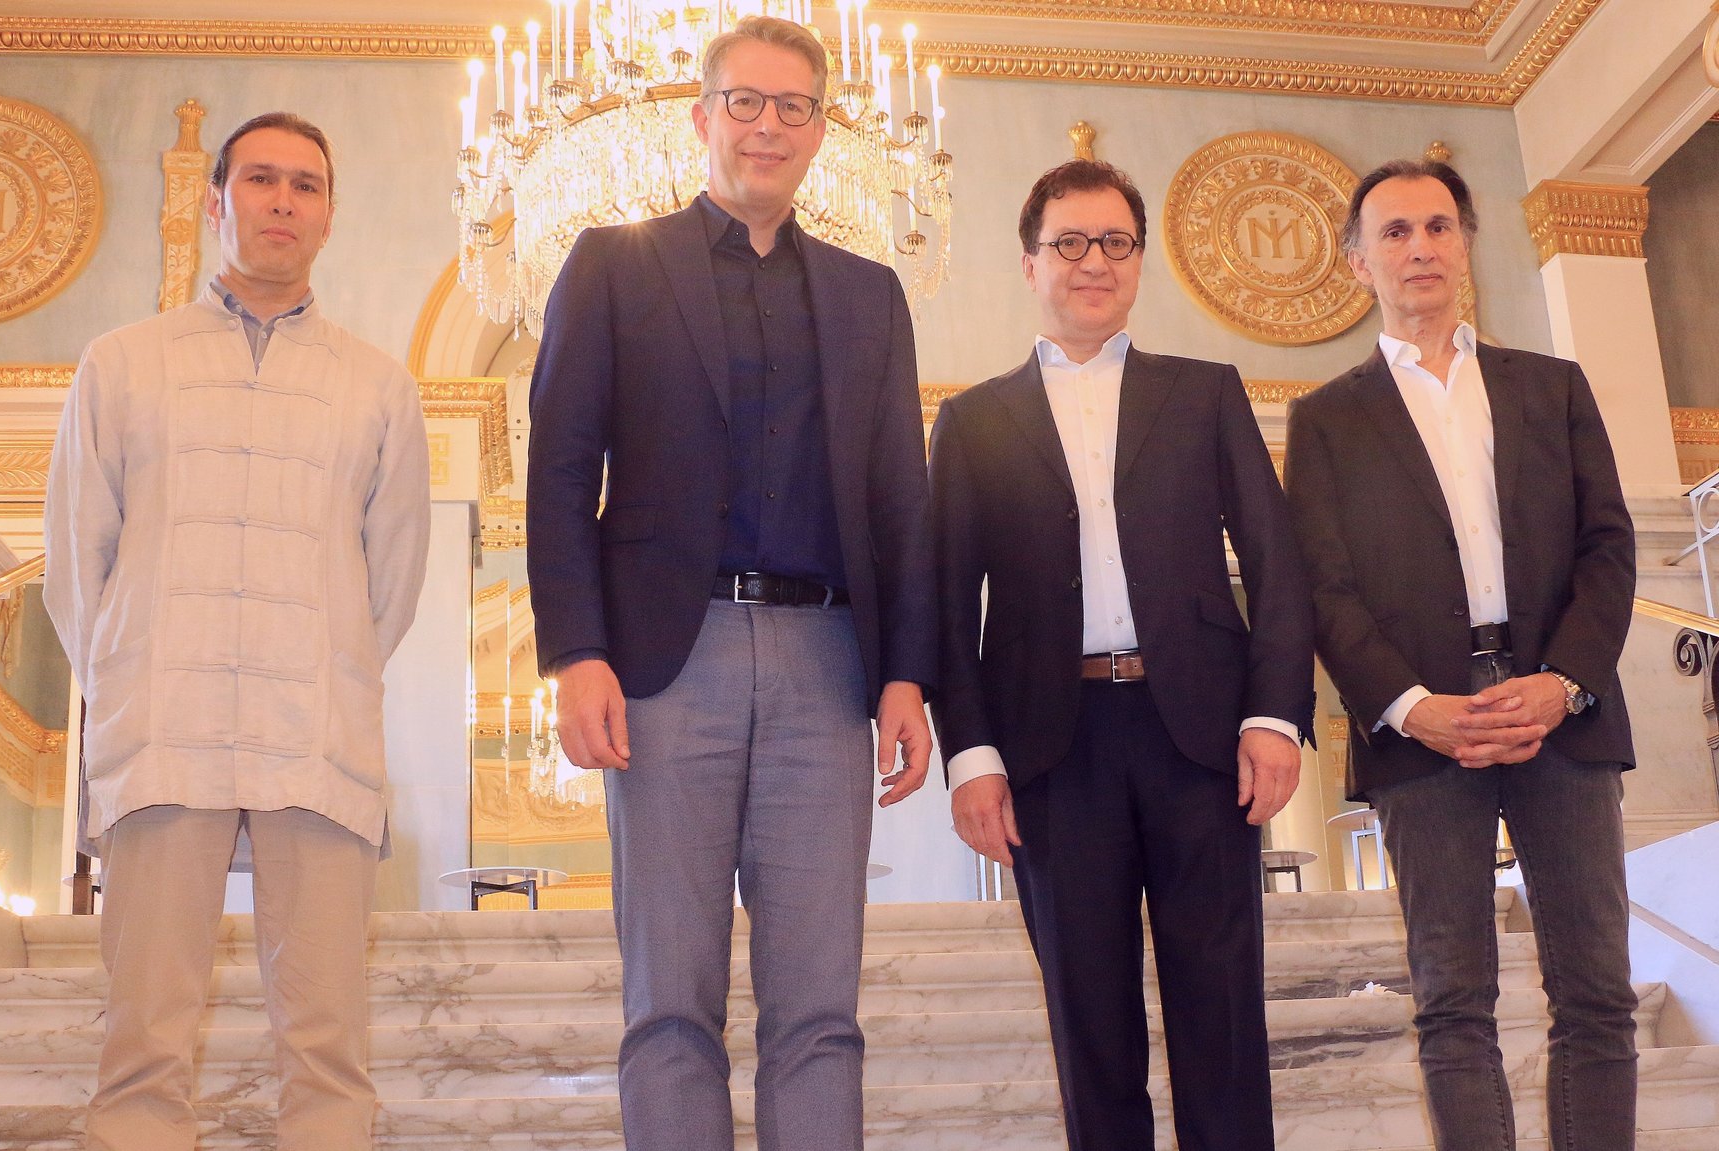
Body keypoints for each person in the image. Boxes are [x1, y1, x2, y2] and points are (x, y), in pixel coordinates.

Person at [524, 15, 936, 1151]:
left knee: (819, 1009)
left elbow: (901, 500)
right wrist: (575, 651)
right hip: (668, 659)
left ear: (819, 131)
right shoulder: (613, 265)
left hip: (827, 660)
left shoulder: (869, 296)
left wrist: (907, 675)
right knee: (669, 1003)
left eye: (791, 106)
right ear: (701, 118)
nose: (766, 125)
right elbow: (559, 472)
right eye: (744, 103)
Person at [42, 111, 431, 1151]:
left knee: (326, 1044)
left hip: (316, 727)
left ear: (328, 215)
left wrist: (329, 660)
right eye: (259, 179)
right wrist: (133, 668)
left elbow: (389, 578)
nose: (281, 201)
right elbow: (77, 562)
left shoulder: (377, 384)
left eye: (305, 185)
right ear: (216, 201)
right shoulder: (122, 363)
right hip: (164, 722)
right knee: (143, 1043)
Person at [931, 158, 1314, 1151]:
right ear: (1028, 262)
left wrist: (1273, 715)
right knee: (1087, 1021)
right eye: (1068, 242)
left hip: (1197, 740)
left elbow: (1276, 562)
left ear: (1137, 260)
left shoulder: (1204, 393)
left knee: (1220, 1013)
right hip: (1051, 753)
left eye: (1113, 242)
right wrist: (969, 756)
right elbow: (943, 602)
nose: (1091, 261)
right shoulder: (971, 420)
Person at [1283, 158, 1639, 1151]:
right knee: (1449, 999)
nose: (1418, 247)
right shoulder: (1323, 419)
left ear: (1465, 245)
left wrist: (1564, 680)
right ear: (1357, 263)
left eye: (1436, 226)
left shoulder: (1552, 386)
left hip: (1558, 718)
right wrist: (1405, 703)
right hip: (1419, 732)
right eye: (1392, 232)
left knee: (1597, 992)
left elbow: (1608, 544)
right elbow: (1320, 585)